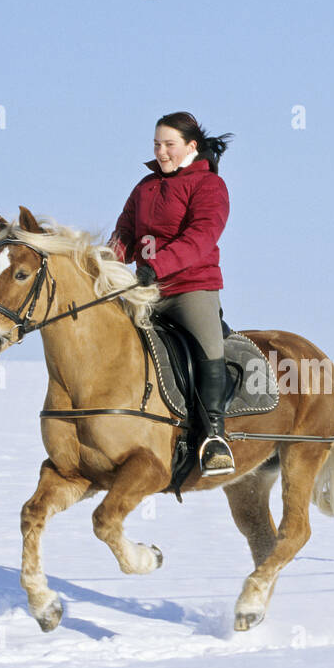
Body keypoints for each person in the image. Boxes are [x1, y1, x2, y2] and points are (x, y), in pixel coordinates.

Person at [107, 112, 236, 476]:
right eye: (156, 145)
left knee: (209, 348)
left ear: (191, 147)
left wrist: (158, 266)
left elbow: (201, 237)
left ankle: (214, 438)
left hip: (190, 288)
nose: (161, 152)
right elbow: (124, 234)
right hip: (146, 289)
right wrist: (105, 263)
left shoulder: (209, 186)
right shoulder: (144, 187)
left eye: (169, 145)